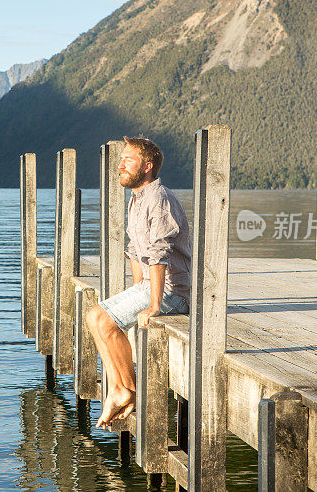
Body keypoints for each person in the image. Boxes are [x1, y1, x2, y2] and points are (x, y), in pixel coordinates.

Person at [86, 136, 191, 428]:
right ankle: (120, 388)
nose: (120, 164)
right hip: (151, 287)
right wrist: (136, 293)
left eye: (127, 159)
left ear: (147, 167)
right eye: (121, 159)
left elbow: (159, 253)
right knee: (95, 318)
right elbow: (135, 250)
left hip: (173, 292)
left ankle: (127, 390)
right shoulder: (138, 199)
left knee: (101, 319)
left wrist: (153, 304)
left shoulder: (159, 199)